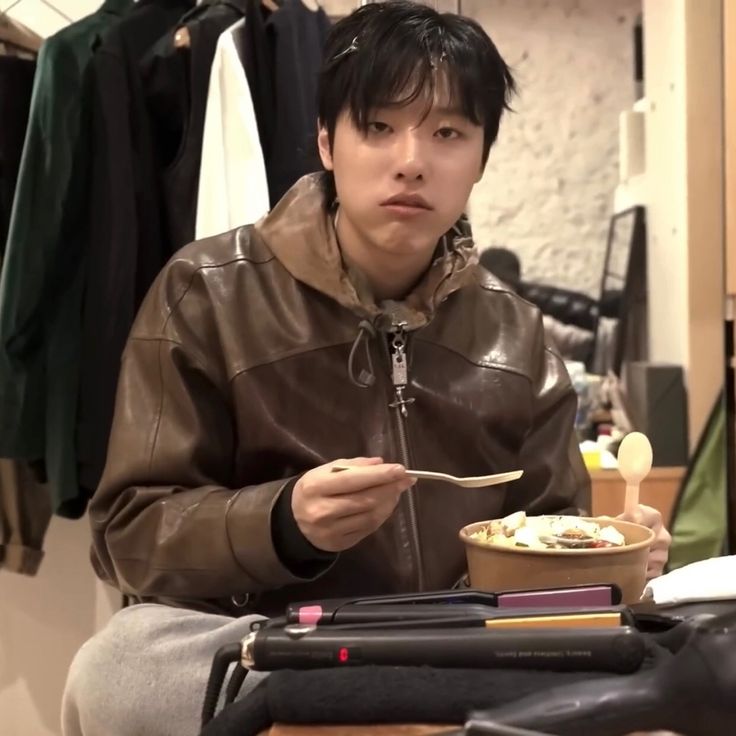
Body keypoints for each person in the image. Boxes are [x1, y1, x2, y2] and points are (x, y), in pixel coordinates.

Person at [62, 3, 671, 735]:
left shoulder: (514, 330)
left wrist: (605, 556)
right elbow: (127, 534)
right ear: (325, 141)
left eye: (448, 132)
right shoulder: (207, 290)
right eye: (378, 127)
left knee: (670, 666)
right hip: (272, 642)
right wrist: (284, 523)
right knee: (115, 667)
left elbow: (544, 531)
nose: (411, 159)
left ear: (481, 157)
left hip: (458, 647)